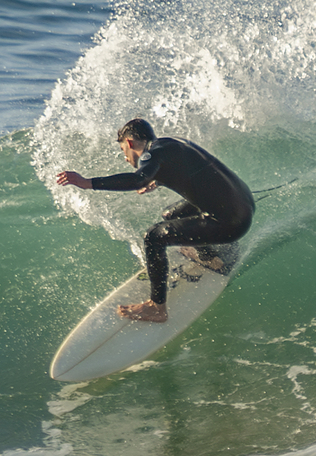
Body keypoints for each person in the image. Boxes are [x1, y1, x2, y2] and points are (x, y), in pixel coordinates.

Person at [55, 118, 254, 323]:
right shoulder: (171, 143)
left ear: (130, 143)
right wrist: (157, 179)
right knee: (170, 216)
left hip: (230, 222)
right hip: (241, 205)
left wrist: (87, 183)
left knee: (153, 237)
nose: (125, 158)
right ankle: (209, 257)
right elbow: (188, 168)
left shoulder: (151, 154)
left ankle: (156, 308)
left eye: (124, 150)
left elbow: (137, 179)